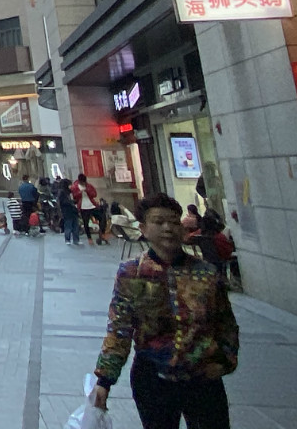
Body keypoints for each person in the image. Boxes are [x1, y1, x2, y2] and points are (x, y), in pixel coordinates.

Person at [90, 193, 239, 429]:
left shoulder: (206, 272)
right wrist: (104, 380)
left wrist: (225, 361)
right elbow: (120, 328)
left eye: (173, 221)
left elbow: (225, 323)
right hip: (153, 379)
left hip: (203, 378)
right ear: (144, 229)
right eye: (159, 222)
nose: (168, 228)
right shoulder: (132, 273)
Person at [73, 173, 103, 244]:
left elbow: (94, 194)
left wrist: (87, 191)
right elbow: (74, 196)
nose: (83, 183)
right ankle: (89, 238)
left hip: (92, 205)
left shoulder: (89, 186)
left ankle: (101, 233)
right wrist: (80, 192)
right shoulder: (75, 187)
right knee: (86, 223)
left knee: (101, 218)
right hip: (83, 207)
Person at [59, 180, 81, 246]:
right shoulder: (62, 192)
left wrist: (74, 201)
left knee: (75, 225)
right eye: (69, 185)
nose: (70, 186)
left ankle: (76, 240)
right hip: (67, 211)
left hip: (73, 210)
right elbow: (63, 202)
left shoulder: (70, 192)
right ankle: (67, 239)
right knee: (68, 225)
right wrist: (71, 202)